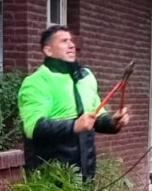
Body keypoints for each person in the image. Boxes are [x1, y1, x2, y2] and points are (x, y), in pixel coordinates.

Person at [17, 25, 131, 180]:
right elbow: (33, 127)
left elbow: (96, 116)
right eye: (64, 41)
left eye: (71, 41)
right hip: (49, 177)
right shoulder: (36, 82)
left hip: (86, 172)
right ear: (48, 50)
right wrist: (74, 126)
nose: (72, 45)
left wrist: (112, 122)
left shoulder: (85, 77)